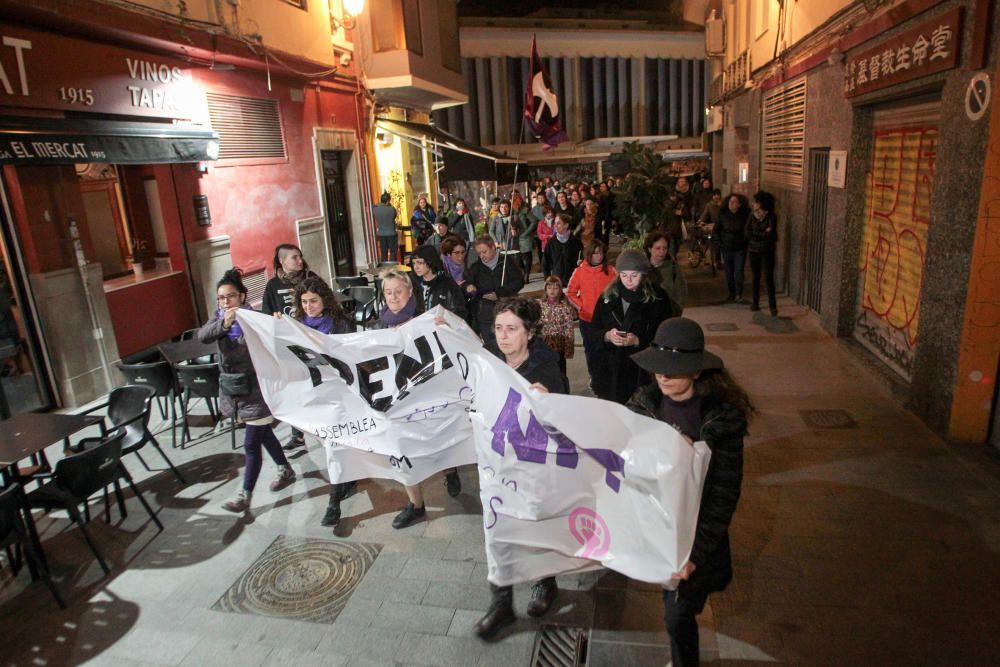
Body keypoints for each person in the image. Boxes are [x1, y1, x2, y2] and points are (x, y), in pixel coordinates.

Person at [626, 317, 752, 667]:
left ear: (696, 372)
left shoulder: (720, 421)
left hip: (696, 540)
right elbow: (615, 453)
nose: (663, 377)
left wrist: (693, 555)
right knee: (676, 610)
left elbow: (724, 497)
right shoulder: (643, 404)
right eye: (659, 369)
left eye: (673, 370)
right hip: (655, 529)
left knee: (677, 615)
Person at [474, 297, 565, 640]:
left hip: (534, 465)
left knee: (537, 523)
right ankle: (501, 603)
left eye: (512, 329)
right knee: (498, 529)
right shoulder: (492, 361)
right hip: (498, 465)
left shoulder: (544, 364)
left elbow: (554, 404)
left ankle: (546, 581)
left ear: (529, 332)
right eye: (499, 328)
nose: (504, 336)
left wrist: (541, 395)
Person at [372, 269, 462, 528]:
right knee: (400, 450)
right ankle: (416, 504)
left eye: (398, 291)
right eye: (388, 292)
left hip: (429, 395)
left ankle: (451, 469)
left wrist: (449, 328)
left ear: (410, 292)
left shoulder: (427, 319)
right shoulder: (380, 325)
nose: (393, 297)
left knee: (441, 439)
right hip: (398, 400)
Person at [201, 269, 296, 513]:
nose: (225, 302)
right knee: (263, 433)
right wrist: (224, 323)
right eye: (221, 298)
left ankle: (245, 495)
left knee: (251, 443)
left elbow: (265, 346)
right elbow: (203, 335)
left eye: (230, 297)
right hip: (235, 391)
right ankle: (285, 469)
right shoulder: (220, 318)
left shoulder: (255, 319)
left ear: (242, 296)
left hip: (257, 389)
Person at [288, 276, 358, 527]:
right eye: (304, 302)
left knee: (334, 448)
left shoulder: (341, 323)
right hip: (314, 395)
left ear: (325, 300)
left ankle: (333, 504)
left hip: (339, 393)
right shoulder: (294, 325)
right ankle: (348, 479)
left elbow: (351, 356)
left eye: (313, 301)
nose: (308, 306)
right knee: (334, 445)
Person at [591, 249, 676, 404]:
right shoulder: (608, 297)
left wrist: (639, 340)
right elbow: (593, 330)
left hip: (642, 372)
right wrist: (607, 336)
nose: (628, 280)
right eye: (624, 275)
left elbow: (666, 335)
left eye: (634, 275)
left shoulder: (658, 298)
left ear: (643, 274)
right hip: (610, 370)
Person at [566, 239, 617, 390]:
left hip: (607, 320)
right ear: (589, 255)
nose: (598, 256)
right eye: (595, 253)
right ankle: (594, 377)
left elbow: (618, 291)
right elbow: (570, 292)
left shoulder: (612, 271)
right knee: (591, 350)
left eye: (601, 253)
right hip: (587, 319)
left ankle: (608, 376)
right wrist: (582, 307)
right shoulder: (580, 271)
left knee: (608, 350)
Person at [465, 236, 524, 347]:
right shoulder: (475, 267)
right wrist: (468, 287)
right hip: (485, 314)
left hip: (507, 309)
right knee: (492, 347)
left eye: (484, 252)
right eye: (479, 254)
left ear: (493, 247)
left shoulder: (507, 262)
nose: (482, 256)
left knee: (510, 344)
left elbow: (518, 282)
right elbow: (467, 284)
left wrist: (499, 294)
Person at [538, 275, 576, 392]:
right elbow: (536, 322)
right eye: (549, 288)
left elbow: (569, 327)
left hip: (559, 343)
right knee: (545, 370)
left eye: (555, 288)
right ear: (545, 289)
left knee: (560, 371)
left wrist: (569, 345)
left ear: (560, 290)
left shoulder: (565, 306)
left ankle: (564, 392)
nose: (552, 291)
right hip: (544, 343)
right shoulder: (540, 305)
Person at [410, 245, 467, 319]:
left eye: (420, 263)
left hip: (442, 327)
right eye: (414, 263)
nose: (416, 267)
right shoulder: (412, 283)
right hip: (418, 328)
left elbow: (460, 311)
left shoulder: (447, 284)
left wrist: (446, 320)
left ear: (430, 261)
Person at [746, 190, 778, 316]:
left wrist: (757, 233)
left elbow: (770, 235)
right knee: (755, 277)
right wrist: (763, 232)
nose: (753, 204)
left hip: (767, 250)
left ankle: (773, 306)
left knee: (768, 278)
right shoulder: (752, 215)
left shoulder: (771, 216)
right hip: (754, 250)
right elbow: (747, 232)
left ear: (762, 203)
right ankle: (755, 303)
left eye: (756, 202)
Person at [262, 244, 315, 318]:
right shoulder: (272, 285)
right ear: (282, 261)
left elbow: (326, 299)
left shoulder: (310, 277)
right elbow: (267, 313)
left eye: (300, 256)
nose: (300, 261)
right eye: (294, 258)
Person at [644, 231, 687, 313]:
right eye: (658, 248)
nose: (662, 252)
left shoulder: (674, 268)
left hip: (667, 315)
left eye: (665, 248)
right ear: (649, 249)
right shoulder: (642, 268)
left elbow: (681, 293)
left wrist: (676, 311)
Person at [718, 194, 749, 302]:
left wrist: (745, 242)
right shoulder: (723, 216)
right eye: (730, 201)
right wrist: (720, 244)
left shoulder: (744, 217)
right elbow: (716, 231)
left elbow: (747, 231)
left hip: (739, 248)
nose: (732, 203)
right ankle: (731, 293)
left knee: (739, 272)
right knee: (729, 273)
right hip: (726, 248)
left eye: (735, 201)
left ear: (739, 204)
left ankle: (739, 294)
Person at [544, 214, 583, 287]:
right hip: (556, 283)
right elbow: (545, 263)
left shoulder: (576, 242)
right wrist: (547, 280)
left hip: (573, 281)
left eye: (558, 223)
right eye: (554, 223)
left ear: (566, 225)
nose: (555, 226)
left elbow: (582, 261)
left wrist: (581, 263)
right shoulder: (551, 242)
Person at [373, 192, 399, 263]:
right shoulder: (392, 209)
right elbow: (394, 216)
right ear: (388, 201)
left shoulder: (375, 209)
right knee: (393, 252)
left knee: (383, 252)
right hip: (391, 233)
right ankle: (392, 267)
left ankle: (384, 268)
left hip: (381, 234)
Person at [536, 205, 556, 278]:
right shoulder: (541, 223)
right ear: (545, 214)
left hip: (555, 244)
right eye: (548, 212)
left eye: (551, 212)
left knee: (554, 261)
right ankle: (546, 277)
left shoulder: (556, 221)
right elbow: (539, 234)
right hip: (545, 245)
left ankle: (555, 276)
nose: (550, 214)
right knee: (546, 263)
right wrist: (547, 236)